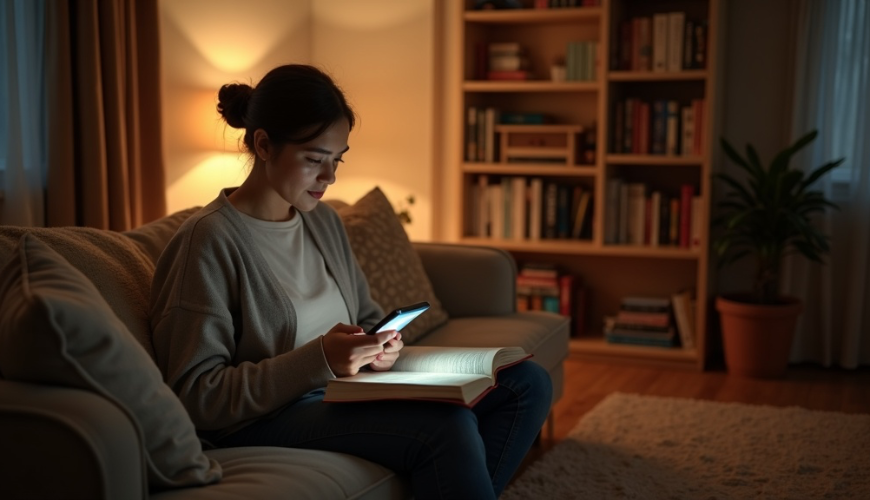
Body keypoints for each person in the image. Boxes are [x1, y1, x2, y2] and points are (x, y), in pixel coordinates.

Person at [149, 64, 552, 499]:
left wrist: (381, 344)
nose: (330, 178)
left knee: (526, 383)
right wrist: (319, 359)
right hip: (266, 417)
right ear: (264, 144)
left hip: (348, 390)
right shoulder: (207, 241)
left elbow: (366, 315)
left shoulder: (322, 222)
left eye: (336, 160)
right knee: (446, 426)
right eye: (314, 160)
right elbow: (196, 394)